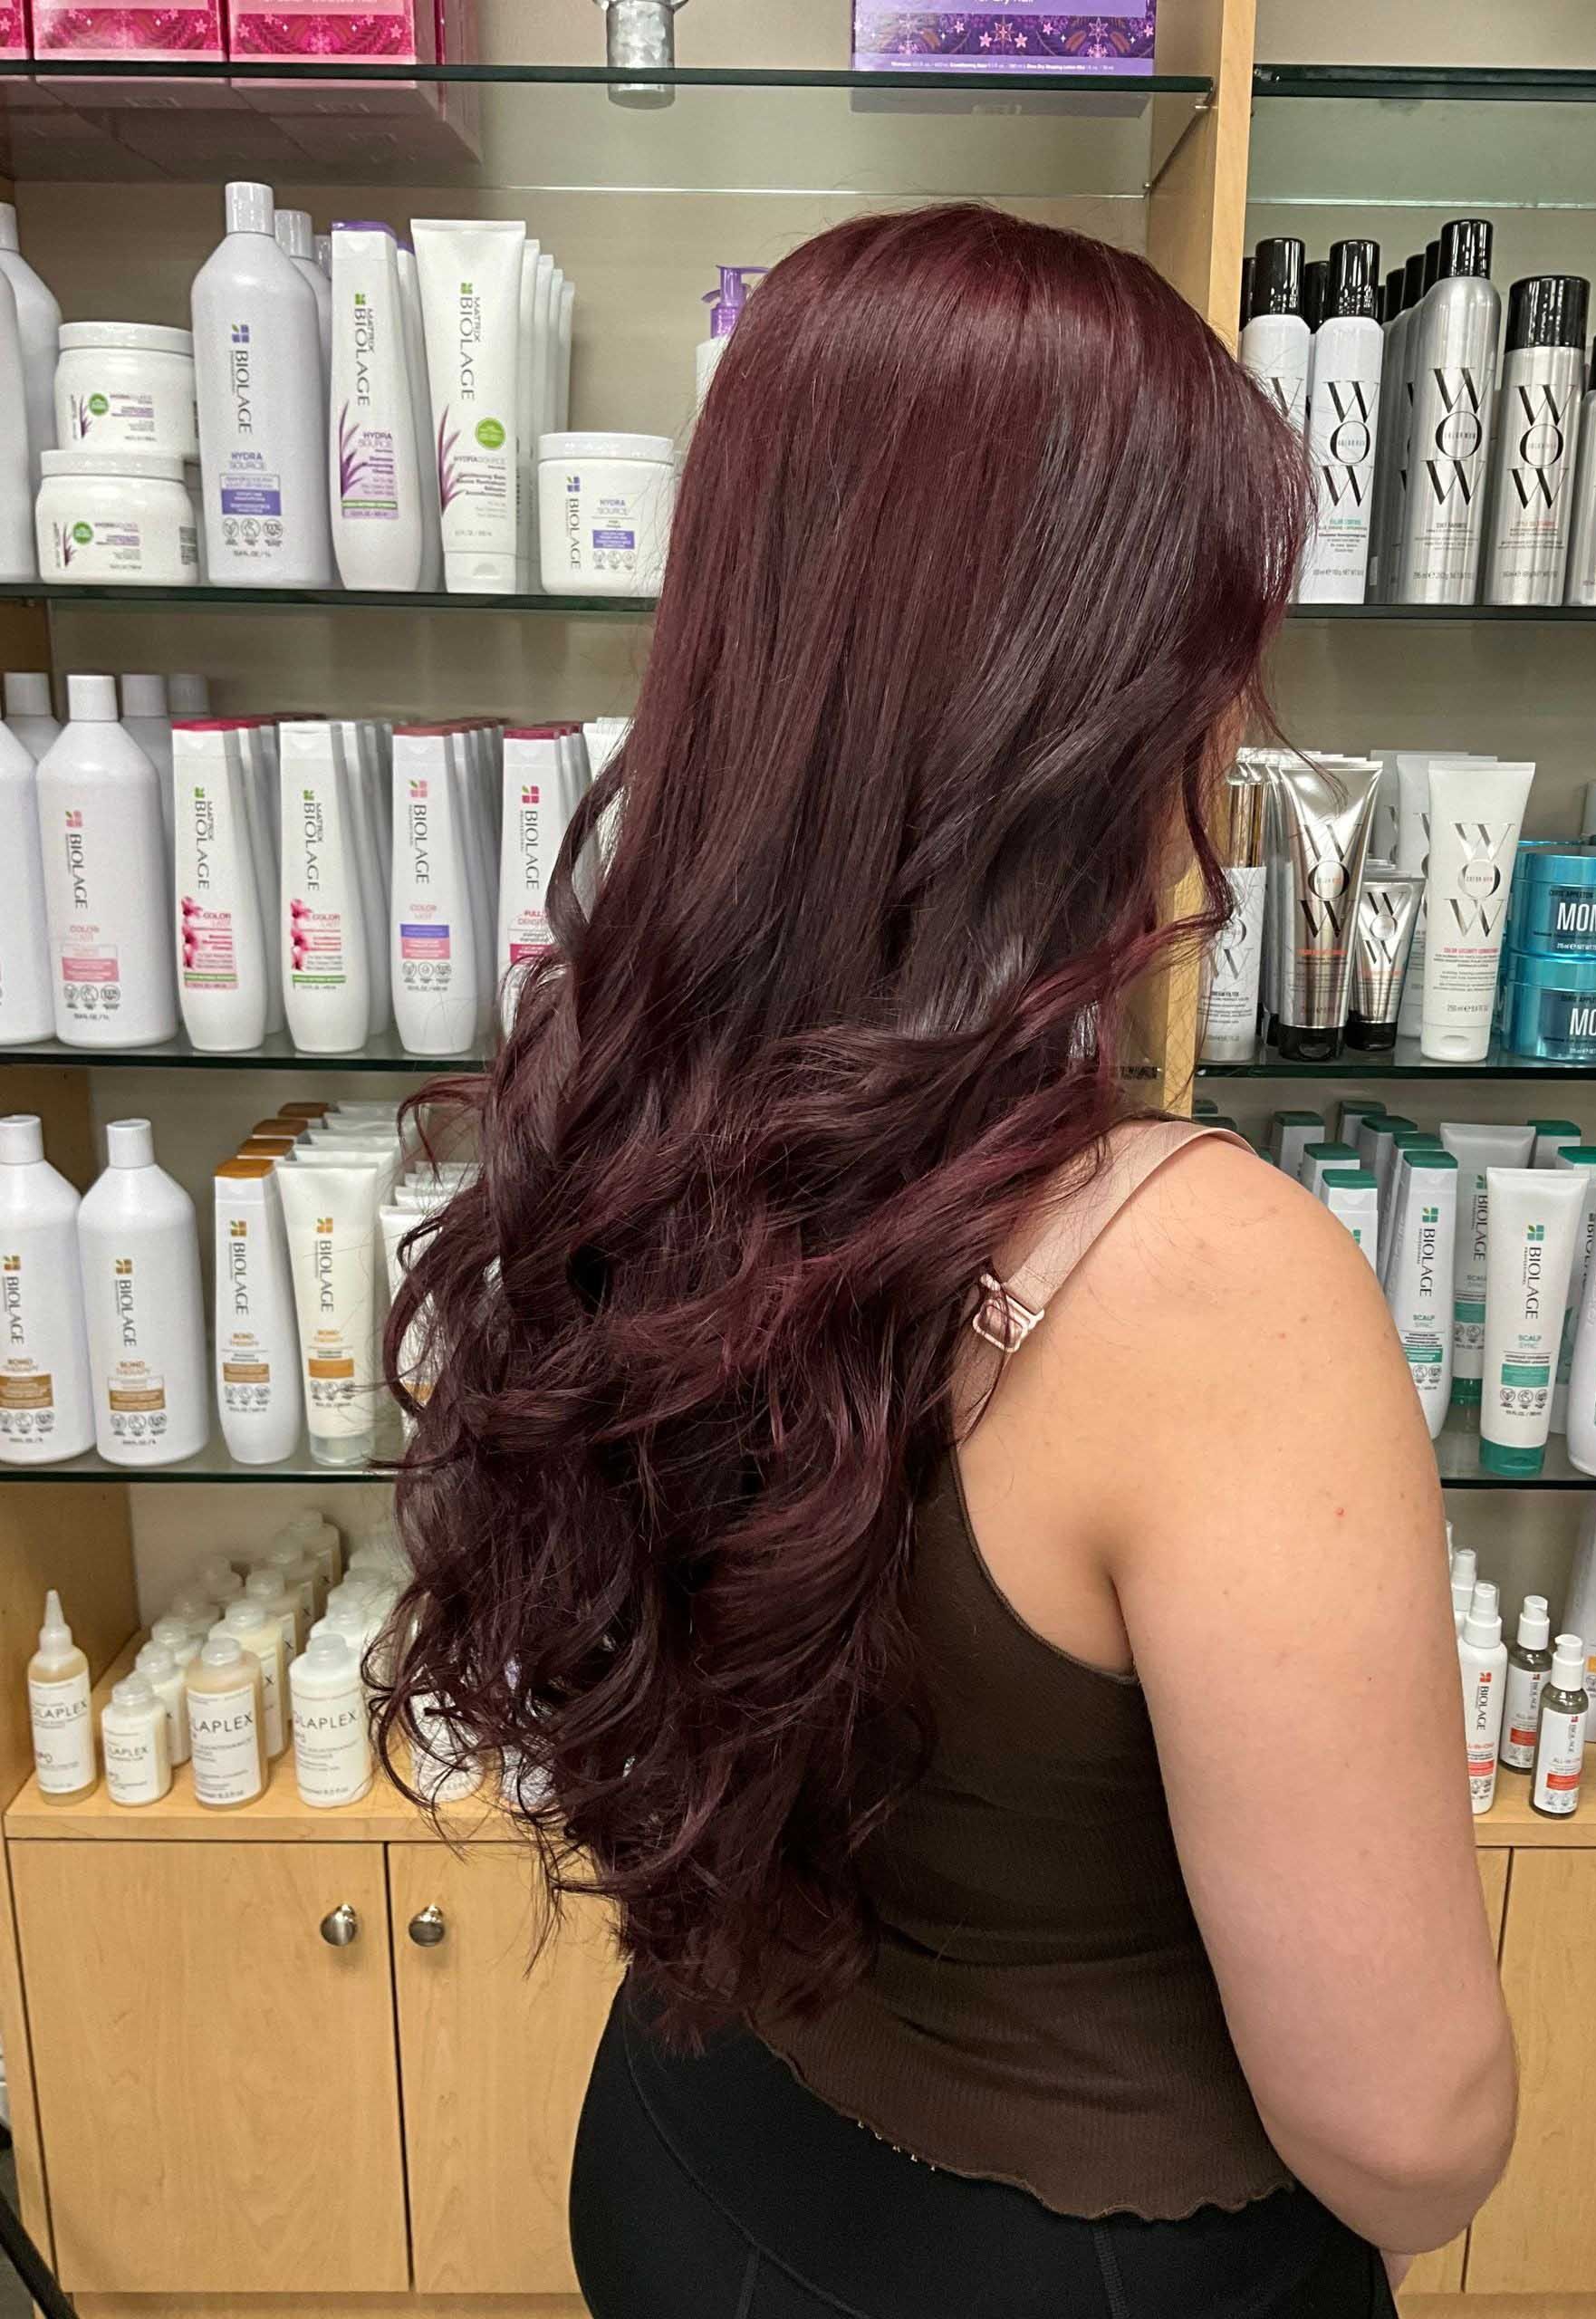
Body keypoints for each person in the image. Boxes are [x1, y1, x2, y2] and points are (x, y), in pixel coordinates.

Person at [380, 204, 1516, 2319]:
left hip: (688, 2146)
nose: (1243, 725)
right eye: (1215, 645)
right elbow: (1413, 2128)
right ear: (1093, 696)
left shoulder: (633, 1115)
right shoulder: (1200, 1277)